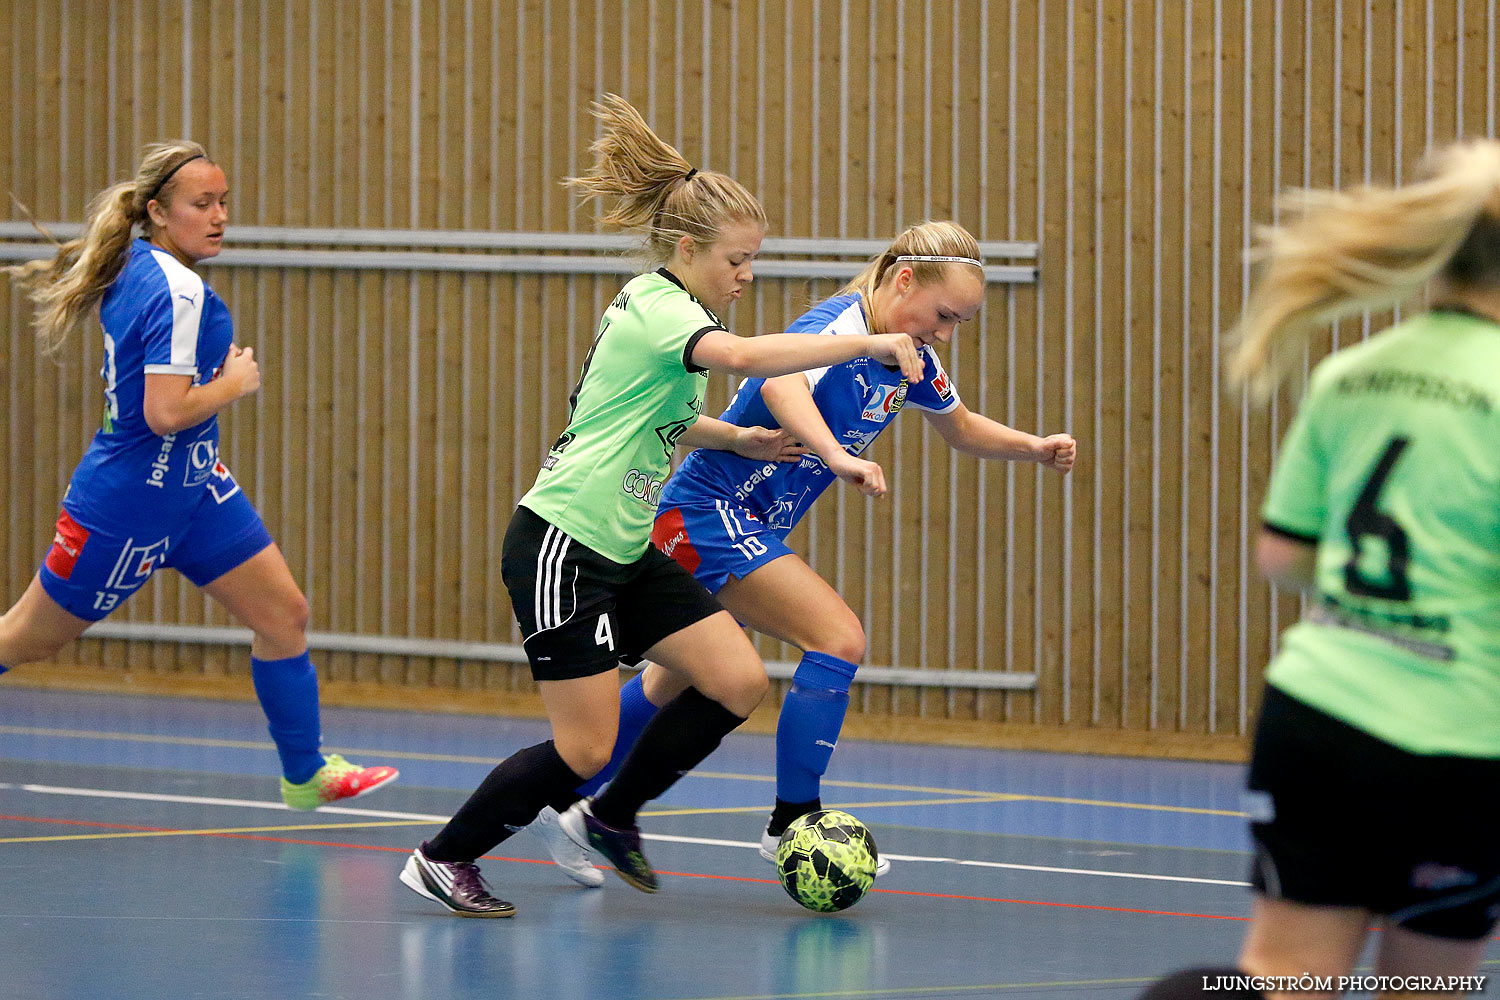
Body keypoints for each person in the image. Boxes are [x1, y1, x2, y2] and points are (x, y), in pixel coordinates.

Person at [397, 93, 926, 917]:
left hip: (622, 547)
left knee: (736, 677)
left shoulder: (673, 313)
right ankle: (444, 855)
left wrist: (734, 440)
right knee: (584, 744)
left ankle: (612, 816)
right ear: (688, 248)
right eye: (738, 262)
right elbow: (750, 357)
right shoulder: (660, 308)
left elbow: (657, 416)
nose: (746, 277)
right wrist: (865, 339)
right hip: (561, 546)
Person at [567, 220, 1075, 877]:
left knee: (673, 682)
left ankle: (575, 802)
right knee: (838, 638)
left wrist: (1034, 447)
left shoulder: (912, 356)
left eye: (961, 324)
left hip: (746, 525)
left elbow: (962, 427)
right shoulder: (839, 325)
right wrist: (837, 456)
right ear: (901, 280)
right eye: (943, 314)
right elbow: (781, 386)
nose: (946, 333)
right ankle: (791, 821)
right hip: (704, 514)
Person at [1140, 139, 1500, 1000]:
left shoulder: (1353, 372)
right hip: (1458, 737)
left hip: (1319, 719)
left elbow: (1283, 555)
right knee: (1427, 991)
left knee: (1285, 979)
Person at [0, 140, 398, 811]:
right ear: (157, 211)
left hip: (196, 487)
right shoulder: (176, 287)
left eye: (223, 202)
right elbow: (162, 412)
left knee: (285, 615)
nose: (218, 216)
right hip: (129, 503)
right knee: (22, 639)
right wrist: (234, 383)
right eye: (200, 203)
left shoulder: (140, 265)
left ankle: (305, 773)